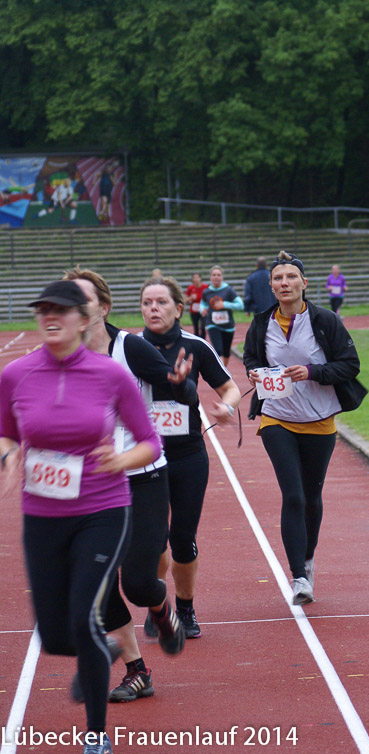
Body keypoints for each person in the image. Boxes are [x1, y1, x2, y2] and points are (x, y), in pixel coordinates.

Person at [0, 280, 161, 754]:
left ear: (84, 319)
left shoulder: (109, 374)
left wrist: (121, 460)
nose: (51, 316)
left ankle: (96, 735)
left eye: (62, 309)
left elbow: (150, 442)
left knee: (84, 612)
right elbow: (5, 433)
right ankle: (102, 649)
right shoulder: (15, 375)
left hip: (102, 509)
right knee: (55, 635)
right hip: (42, 513)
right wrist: (8, 456)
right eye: (43, 309)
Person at [63, 267, 194, 703]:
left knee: (138, 582)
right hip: (92, 486)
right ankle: (138, 672)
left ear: (102, 307)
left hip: (143, 479)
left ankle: (160, 609)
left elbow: (180, 389)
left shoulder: (130, 348)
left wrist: (180, 383)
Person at [243, 251, 363, 606]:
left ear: (304, 283)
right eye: (278, 278)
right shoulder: (261, 322)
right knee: (292, 495)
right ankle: (298, 577)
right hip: (277, 418)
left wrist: (311, 372)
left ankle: (308, 560)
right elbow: (251, 357)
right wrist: (254, 372)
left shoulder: (325, 321)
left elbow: (350, 365)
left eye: (291, 277)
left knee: (311, 497)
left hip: (319, 420)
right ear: (271, 286)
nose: (285, 283)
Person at [140, 272, 241, 646]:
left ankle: (185, 607)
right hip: (144, 458)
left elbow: (230, 388)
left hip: (187, 456)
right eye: (147, 303)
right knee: (152, 541)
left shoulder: (196, 346)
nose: (154, 308)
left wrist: (227, 408)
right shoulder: (130, 348)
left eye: (161, 302)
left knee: (182, 539)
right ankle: (157, 606)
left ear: (179, 308)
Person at [200, 265, 243, 367]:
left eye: (218, 275)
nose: (216, 277)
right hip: (212, 324)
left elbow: (240, 305)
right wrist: (202, 310)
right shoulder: (206, 291)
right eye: (214, 275)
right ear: (210, 277)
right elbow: (203, 303)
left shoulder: (228, 290)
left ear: (222, 277)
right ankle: (222, 373)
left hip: (228, 326)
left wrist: (225, 304)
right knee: (218, 350)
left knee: (226, 352)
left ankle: (224, 369)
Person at [185, 272, 208, 338]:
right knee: (196, 328)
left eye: (197, 277)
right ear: (192, 280)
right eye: (194, 278)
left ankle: (203, 340)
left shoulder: (205, 287)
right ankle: (197, 341)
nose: (196, 279)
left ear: (200, 279)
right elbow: (185, 300)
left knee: (203, 327)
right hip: (194, 311)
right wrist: (191, 298)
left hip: (203, 310)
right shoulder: (190, 288)